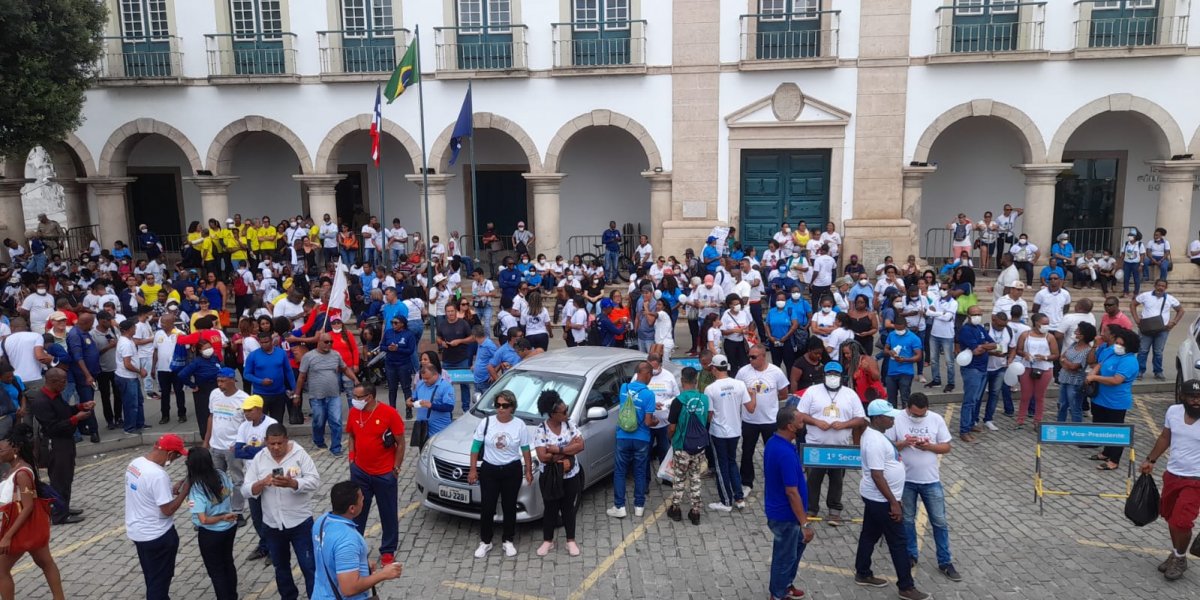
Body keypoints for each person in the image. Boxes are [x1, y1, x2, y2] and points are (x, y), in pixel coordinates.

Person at [855, 399, 931, 600]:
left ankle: (862, 572)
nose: (893, 421)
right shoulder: (874, 441)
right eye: (890, 418)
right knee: (898, 542)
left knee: (869, 534)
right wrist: (894, 502)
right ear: (878, 418)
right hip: (880, 499)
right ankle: (906, 586)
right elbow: (877, 475)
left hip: (878, 497)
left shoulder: (877, 435)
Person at [885, 393, 961, 581]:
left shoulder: (935, 419)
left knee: (940, 522)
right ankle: (911, 555)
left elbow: (946, 447)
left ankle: (945, 561)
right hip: (906, 480)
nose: (919, 418)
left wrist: (929, 447)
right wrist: (904, 443)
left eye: (922, 415)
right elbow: (887, 447)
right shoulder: (896, 419)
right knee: (908, 520)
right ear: (907, 408)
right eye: (916, 415)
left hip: (931, 480)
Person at [244, 424, 321, 600]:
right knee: (281, 568)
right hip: (272, 524)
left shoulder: (300, 455)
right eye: (272, 444)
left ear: (286, 440)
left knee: (309, 566)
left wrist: (293, 484)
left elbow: (315, 481)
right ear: (266, 442)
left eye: (279, 443)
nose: (276, 448)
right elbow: (246, 490)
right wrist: (261, 483)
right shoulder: (259, 459)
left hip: (300, 523)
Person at [1140, 379, 1200, 580]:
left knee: (1181, 521)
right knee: (1170, 516)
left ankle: (1180, 558)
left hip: (1196, 480)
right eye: (1192, 396)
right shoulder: (1173, 412)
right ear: (1182, 396)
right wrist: (1151, 460)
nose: (1196, 400)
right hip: (1172, 475)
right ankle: (1176, 552)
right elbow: (1165, 437)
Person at [796, 361, 865, 525]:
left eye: (836, 375)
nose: (832, 377)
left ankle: (834, 511)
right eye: (830, 374)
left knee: (837, 480)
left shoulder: (850, 394)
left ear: (841, 377)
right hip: (816, 446)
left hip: (839, 448)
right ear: (824, 375)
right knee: (813, 479)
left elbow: (860, 418)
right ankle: (811, 509)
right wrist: (816, 422)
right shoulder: (812, 392)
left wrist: (844, 424)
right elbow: (800, 414)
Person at [312, 481, 405, 600]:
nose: (364, 500)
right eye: (361, 498)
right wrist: (383, 574)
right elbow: (349, 589)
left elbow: (330, 556)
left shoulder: (321, 521)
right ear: (352, 508)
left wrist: (361, 564)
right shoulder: (347, 540)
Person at [345, 382, 405, 566]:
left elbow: (400, 442)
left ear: (369, 397)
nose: (354, 400)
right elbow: (351, 436)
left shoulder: (389, 413)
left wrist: (396, 467)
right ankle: (356, 548)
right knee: (357, 512)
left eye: (357, 397)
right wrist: (352, 459)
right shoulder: (354, 412)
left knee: (388, 512)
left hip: (384, 473)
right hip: (360, 472)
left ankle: (387, 550)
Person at [468, 390, 533, 558]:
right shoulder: (486, 422)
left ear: (512, 407)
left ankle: (508, 540)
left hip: (511, 469)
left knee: (509, 505)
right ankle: (485, 541)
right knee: (487, 506)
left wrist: (528, 470)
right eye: (498, 405)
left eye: (505, 406)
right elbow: (475, 447)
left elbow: (525, 449)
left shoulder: (519, 425)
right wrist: (473, 469)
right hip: (490, 469)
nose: (501, 409)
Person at [125, 434, 191, 600]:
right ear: (169, 454)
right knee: (159, 584)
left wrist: (170, 489)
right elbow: (167, 510)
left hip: (138, 533)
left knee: (151, 577)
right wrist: (184, 491)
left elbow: (147, 493)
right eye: (176, 456)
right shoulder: (158, 475)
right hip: (158, 536)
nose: (175, 460)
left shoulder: (136, 463)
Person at [763, 406, 814, 600]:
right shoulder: (783, 452)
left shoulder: (776, 443)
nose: (804, 424)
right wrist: (805, 523)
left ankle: (785, 585)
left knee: (792, 552)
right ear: (791, 427)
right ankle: (777, 594)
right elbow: (791, 492)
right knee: (784, 557)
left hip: (787, 514)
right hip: (786, 516)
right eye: (801, 422)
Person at [28, 368, 87, 525]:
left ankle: (64, 507)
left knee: (66, 477)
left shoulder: (55, 396)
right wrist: (75, 419)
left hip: (65, 441)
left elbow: (65, 412)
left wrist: (80, 407)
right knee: (59, 479)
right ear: (53, 381)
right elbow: (52, 427)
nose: (65, 384)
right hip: (55, 443)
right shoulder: (42, 401)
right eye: (63, 381)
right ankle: (59, 515)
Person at [534, 390, 584, 556]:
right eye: (563, 412)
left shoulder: (570, 425)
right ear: (552, 414)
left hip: (571, 476)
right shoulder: (541, 430)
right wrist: (568, 450)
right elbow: (543, 457)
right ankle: (548, 541)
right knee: (551, 508)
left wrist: (557, 449)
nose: (567, 414)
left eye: (567, 409)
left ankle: (571, 540)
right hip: (551, 477)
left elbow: (581, 445)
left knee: (568, 508)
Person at [186, 446, 239, 600]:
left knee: (216, 571)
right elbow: (227, 494)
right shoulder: (221, 475)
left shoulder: (197, 489)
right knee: (227, 562)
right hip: (229, 528)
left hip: (211, 533)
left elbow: (203, 519)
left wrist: (220, 517)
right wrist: (222, 514)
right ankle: (232, 595)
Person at [704, 355, 755, 513]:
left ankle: (725, 501)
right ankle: (739, 498)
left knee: (721, 466)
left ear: (714, 368)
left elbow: (709, 415)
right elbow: (751, 408)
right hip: (735, 430)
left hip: (718, 432)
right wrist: (753, 395)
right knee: (732, 462)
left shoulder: (710, 389)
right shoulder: (739, 385)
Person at [735, 345, 789, 493]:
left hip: (770, 421)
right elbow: (738, 393)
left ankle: (774, 481)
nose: (750, 359)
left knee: (772, 452)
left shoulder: (776, 372)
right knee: (747, 452)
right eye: (749, 356)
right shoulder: (743, 372)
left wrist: (770, 399)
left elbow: (784, 393)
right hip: (749, 420)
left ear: (763, 357)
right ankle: (746, 482)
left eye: (753, 357)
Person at [607, 362, 658, 519]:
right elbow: (648, 422)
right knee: (640, 471)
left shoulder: (624, 388)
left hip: (623, 436)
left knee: (620, 472)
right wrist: (655, 420)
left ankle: (619, 507)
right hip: (641, 438)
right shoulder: (649, 395)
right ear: (647, 374)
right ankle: (639, 507)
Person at [1087, 327, 1140, 471]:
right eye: (1117, 342)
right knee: (1102, 427)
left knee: (1116, 431)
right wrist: (1092, 374)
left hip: (1115, 402)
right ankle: (1106, 452)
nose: (1118, 346)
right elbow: (1099, 364)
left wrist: (1094, 377)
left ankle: (1114, 459)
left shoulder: (1129, 361)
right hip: (1100, 398)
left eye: (1121, 344)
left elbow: (1116, 380)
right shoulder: (1112, 353)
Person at [296, 333, 358, 455]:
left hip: (334, 395)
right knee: (318, 421)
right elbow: (301, 377)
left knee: (336, 421)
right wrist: (297, 394)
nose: (329, 344)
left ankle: (336, 448)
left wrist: (355, 379)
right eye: (326, 342)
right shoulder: (309, 356)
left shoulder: (336, 355)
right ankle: (318, 440)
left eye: (331, 342)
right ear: (319, 342)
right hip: (316, 396)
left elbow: (345, 369)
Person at [666, 367, 711, 525]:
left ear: (682, 381)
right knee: (695, 478)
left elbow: (672, 427)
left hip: (682, 445)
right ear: (696, 380)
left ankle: (676, 509)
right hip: (699, 445)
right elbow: (708, 418)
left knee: (679, 478)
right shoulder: (704, 399)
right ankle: (695, 512)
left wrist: (670, 438)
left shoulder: (678, 401)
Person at [235, 395, 276, 563]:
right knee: (257, 516)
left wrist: (249, 449)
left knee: (271, 515)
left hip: (268, 476)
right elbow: (237, 451)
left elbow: (270, 451)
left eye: (249, 410)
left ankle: (275, 548)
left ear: (259, 409)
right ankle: (264, 545)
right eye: (244, 411)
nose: (246, 414)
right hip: (251, 478)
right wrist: (258, 449)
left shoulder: (271, 425)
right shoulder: (244, 427)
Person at [205, 369, 248, 527]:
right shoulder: (214, 394)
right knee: (217, 480)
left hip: (233, 448)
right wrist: (206, 441)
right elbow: (211, 417)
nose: (220, 385)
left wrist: (239, 444)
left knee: (237, 480)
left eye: (223, 381)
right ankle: (220, 509)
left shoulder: (243, 399)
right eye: (218, 381)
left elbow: (247, 424)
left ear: (232, 380)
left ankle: (237, 511)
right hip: (216, 446)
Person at [1132, 279, 1184, 382]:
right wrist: (1136, 319)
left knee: (1158, 352)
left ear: (1166, 288)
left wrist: (1173, 322)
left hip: (1162, 329)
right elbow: (1133, 304)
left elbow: (1181, 310)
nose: (1160, 287)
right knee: (1143, 350)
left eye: (1163, 286)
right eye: (1159, 285)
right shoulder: (1145, 295)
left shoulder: (1170, 299)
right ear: (1155, 285)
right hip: (1146, 328)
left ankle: (1158, 372)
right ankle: (1139, 371)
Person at [955, 306, 994, 443]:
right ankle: (964, 430)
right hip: (972, 369)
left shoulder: (980, 328)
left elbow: (994, 344)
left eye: (979, 313)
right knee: (969, 400)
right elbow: (976, 351)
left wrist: (983, 346)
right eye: (974, 314)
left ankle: (971, 424)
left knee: (976, 399)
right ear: (968, 315)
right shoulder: (966, 330)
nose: (977, 316)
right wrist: (985, 346)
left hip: (983, 368)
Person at [1014, 313, 1059, 429]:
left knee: (1039, 396)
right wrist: (1025, 354)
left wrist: (1045, 357)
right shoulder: (1025, 335)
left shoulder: (1050, 337)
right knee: (1025, 395)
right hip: (1027, 367)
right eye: (1044, 323)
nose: (1046, 326)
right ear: (1036, 323)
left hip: (1044, 368)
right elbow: (1018, 350)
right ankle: (1020, 420)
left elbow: (1055, 354)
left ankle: (1037, 421)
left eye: (1047, 323)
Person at [242, 332, 296, 424]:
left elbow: (288, 371)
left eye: (266, 342)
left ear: (271, 341)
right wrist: (260, 381)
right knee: (260, 422)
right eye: (261, 343)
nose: (264, 344)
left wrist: (294, 388)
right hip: (260, 395)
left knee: (277, 422)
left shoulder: (281, 353)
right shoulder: (253, 355)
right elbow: (246, 374)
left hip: (279, 393)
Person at [1057, 322, 1095, 424]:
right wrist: (1066, 363)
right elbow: (1062, 358)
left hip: (1075, 382)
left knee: (1075, 407)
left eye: (1077, 331)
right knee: (1062, 405)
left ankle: (1076, 429)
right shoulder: (1073, 345)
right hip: (1064, 378)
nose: (1075, 332)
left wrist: (1065, 361)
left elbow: (1074, 366)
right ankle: (1060, 425)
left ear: (1083, 335)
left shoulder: (1087, 350)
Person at [924, 281, 957, 393]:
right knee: (934, 360)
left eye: (945, 289)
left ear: (950, 290)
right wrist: (940, 313)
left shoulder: (953, 303)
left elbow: (948, 318)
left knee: (949, 361)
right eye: (941, 289)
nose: (942, 291)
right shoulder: (937, 300)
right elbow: (928, 312)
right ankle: (936, 380)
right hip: (934, 334)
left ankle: (951, 383)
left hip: (947, 335)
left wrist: (937, 313)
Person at [883, 313, 923, 408]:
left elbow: (918, 356)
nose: (898, 331)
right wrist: (890, 352)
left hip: (906, 372)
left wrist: (905, 360)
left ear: (905, 326)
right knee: (891, 400)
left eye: (900, 329)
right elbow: (885, 349)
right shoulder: (892, 335)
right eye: (897, 328)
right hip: (891, 372)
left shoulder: (914, 338)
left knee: (905, 399)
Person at [1122, 231, 1146, 297]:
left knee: (1136, 278)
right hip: (1127, 263)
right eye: (1129, 235)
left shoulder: (1140, 244)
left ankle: (1136, 293)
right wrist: (1120, 263)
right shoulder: (1126, 243)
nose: (1129, 237)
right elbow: (1123, 254)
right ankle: (1126, 292)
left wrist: (1141, 264)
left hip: (1136, 263)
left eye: (1131, 235)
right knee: (1126, 278)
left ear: (1136, 237)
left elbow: (1142, 255)